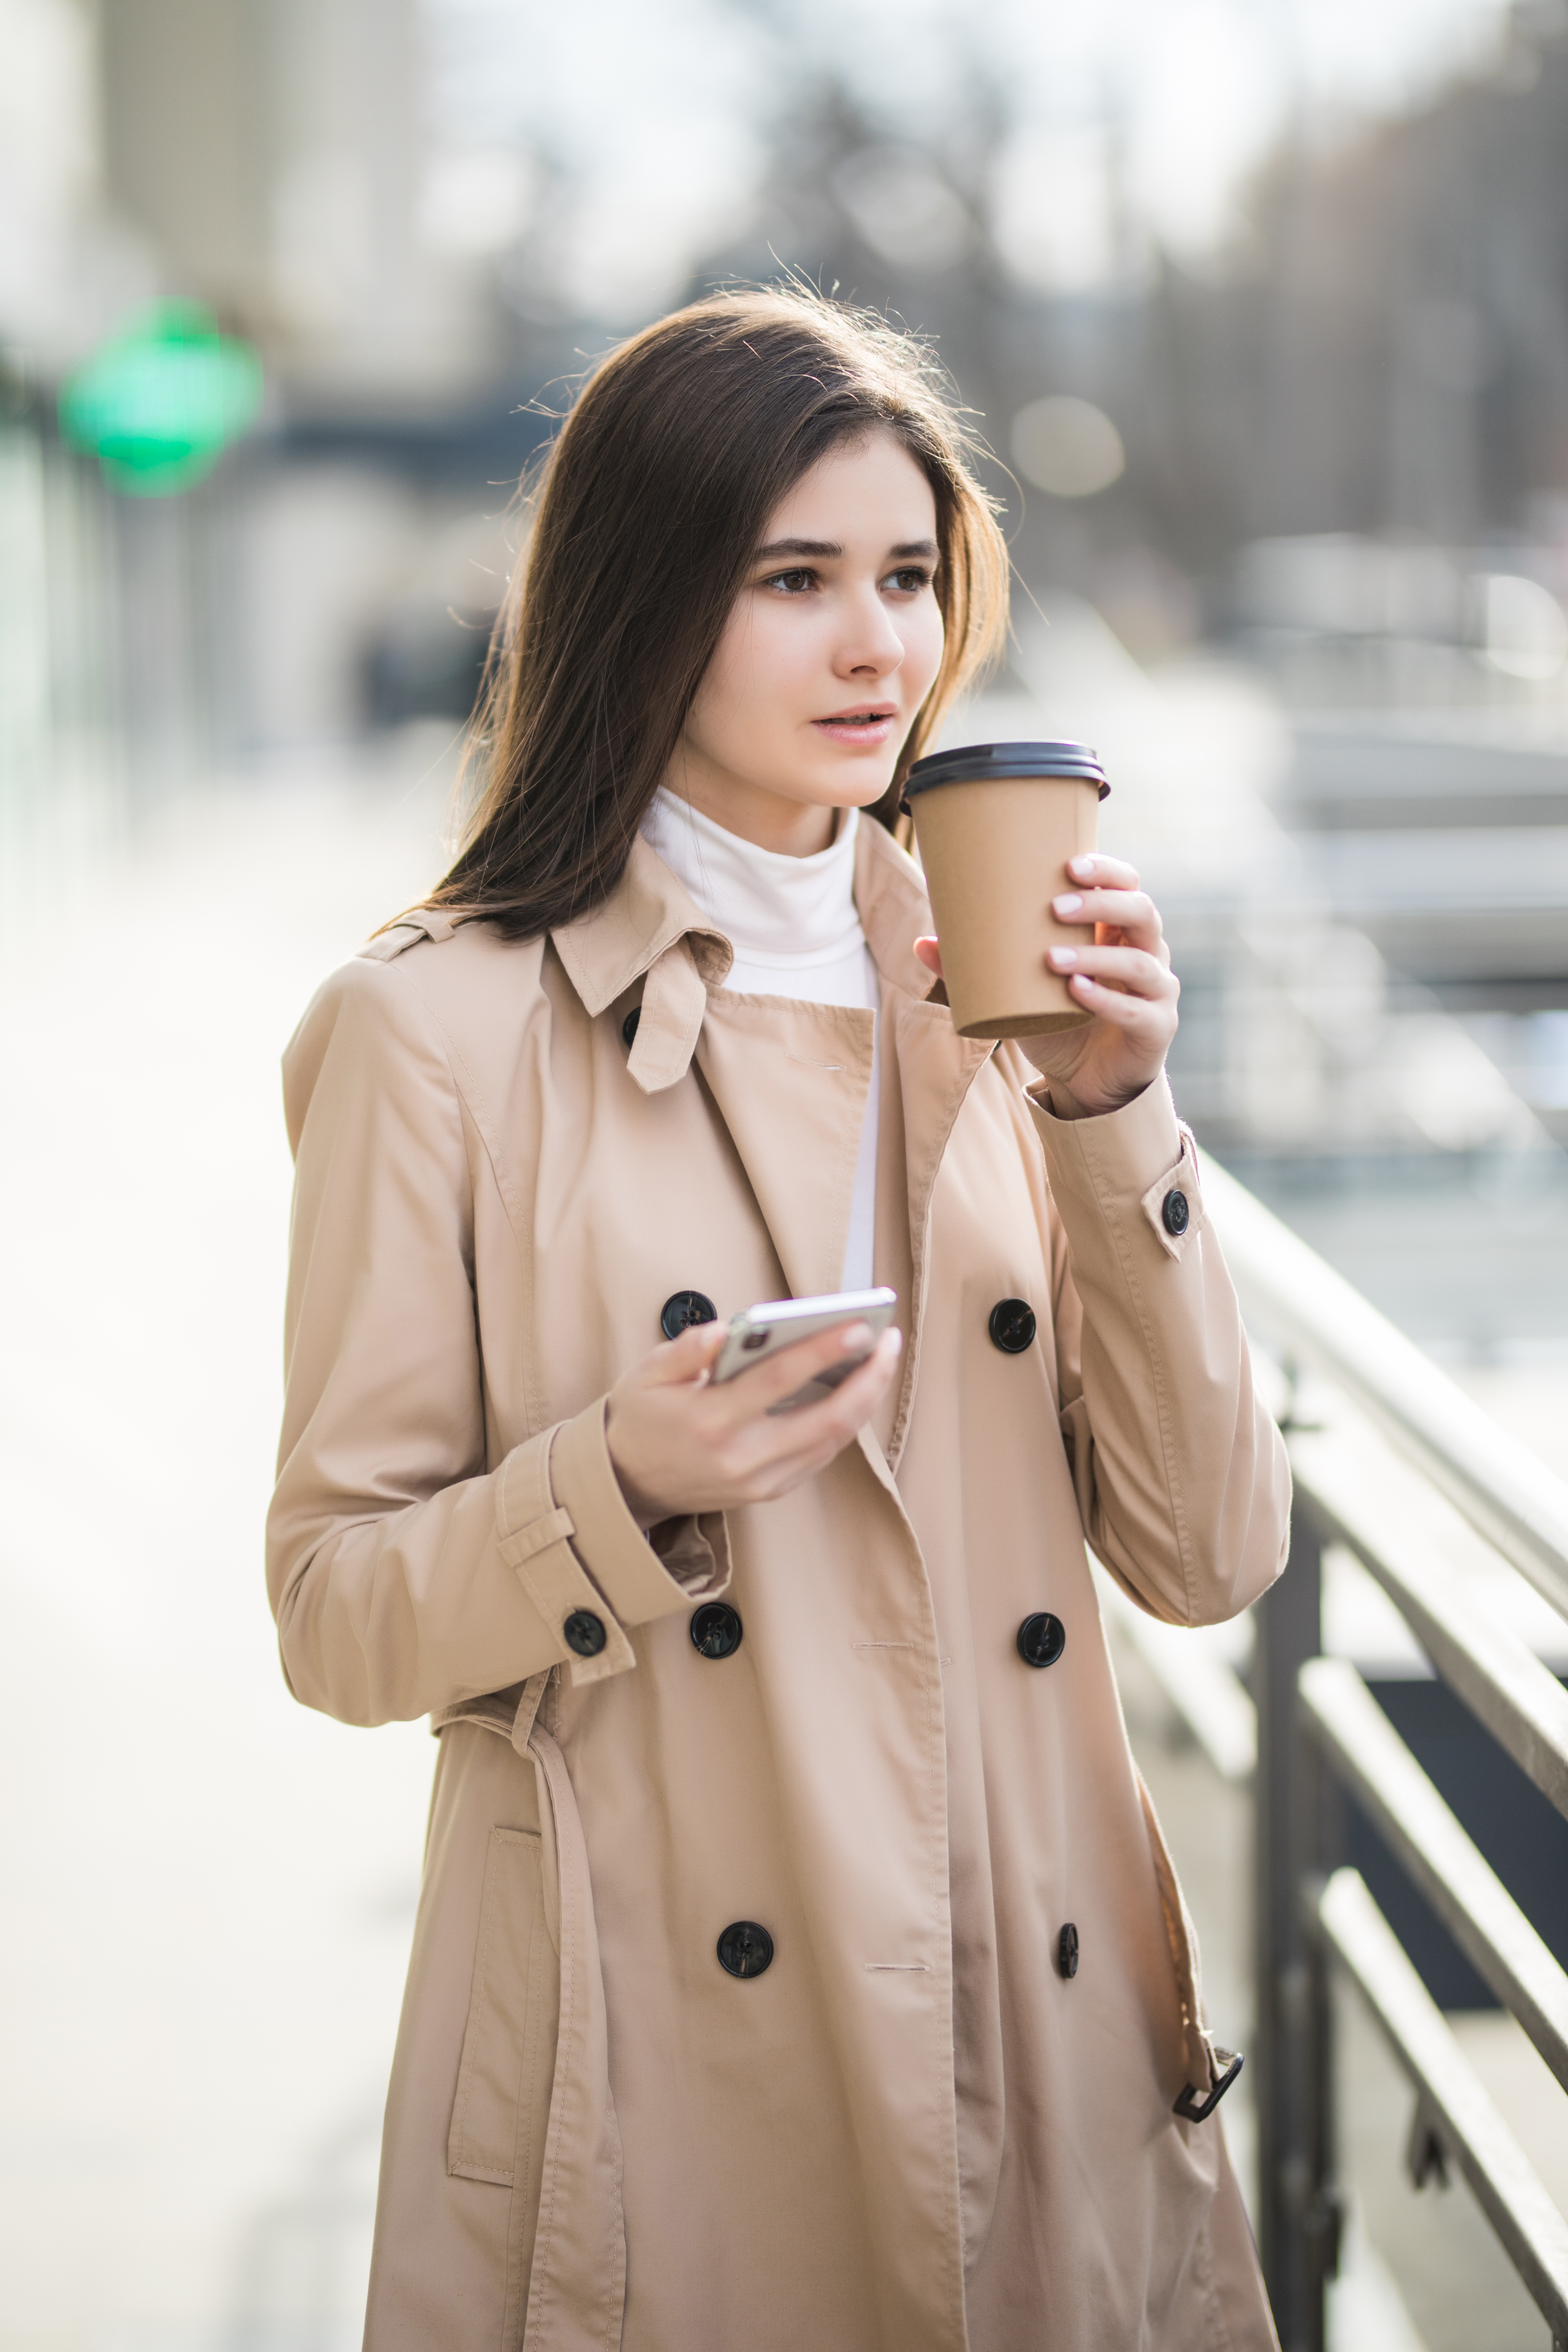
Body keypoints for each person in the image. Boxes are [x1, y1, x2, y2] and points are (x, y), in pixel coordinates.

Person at [267, 287, 1291, 2352]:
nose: (876, 646)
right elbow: (332, 1608)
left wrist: (1115, 1117)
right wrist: (616, 1485)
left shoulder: (1002, 991)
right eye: (793, 578)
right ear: (648, 598)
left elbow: (1209, 1557)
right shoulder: (436, 1031)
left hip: (1043, 2016)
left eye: (909, 576)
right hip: (673, 2065)